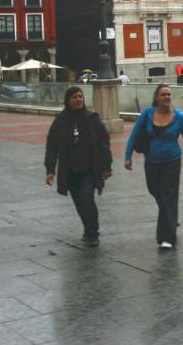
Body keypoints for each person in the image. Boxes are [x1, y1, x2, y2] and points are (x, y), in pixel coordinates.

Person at [124, 84, 183, 249]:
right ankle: (171, 218)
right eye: (163, 95)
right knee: (155, 191)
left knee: (168, 195)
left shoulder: (179, 117)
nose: (167, 97)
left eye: (169, 95)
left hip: (172, 160)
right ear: (156, 97)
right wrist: (128, 155)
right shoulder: (147, 114)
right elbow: (134, 134)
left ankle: (166, 238)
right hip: (151, 161)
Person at [45, 87, 113, 246]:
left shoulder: (92, 118)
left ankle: (93, 233)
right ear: (68, 100)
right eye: (75, 97)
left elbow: (104, 142)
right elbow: (52, 145)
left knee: (86, 199)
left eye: (80, 97)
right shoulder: (60, 120)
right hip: (70, 170)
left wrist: (106, 166)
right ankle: (88, 229)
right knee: (79, 202)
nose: (78, 100)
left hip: (89, 169)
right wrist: (50, 169)